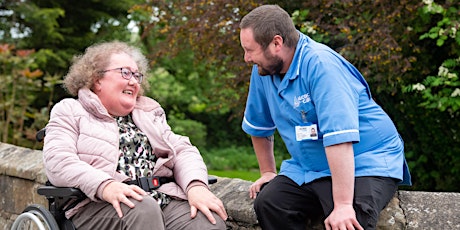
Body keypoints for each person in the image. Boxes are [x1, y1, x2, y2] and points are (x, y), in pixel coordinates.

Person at [239, 5, 411, 230]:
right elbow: (258, 125)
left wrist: (342, 205)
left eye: (250, 50)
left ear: (277, 43)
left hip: (365, 160)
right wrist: (268, 172)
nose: (246, 58)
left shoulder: (321, 65)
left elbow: (339, 137)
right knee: (271, 203)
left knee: (350, 220)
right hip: (310, 166)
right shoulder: (264, 70)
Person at [42, 41, 227, 230]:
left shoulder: (148, 112)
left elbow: (182, 150)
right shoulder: (70, 110)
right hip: (96, 205)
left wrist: (196, 186)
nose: (134, 81)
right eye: (125, 73)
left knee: (207, 219)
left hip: (158, 199)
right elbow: (58, 160)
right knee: (143, 209)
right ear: (97, 79)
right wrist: (105, 185)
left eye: (137, 76)